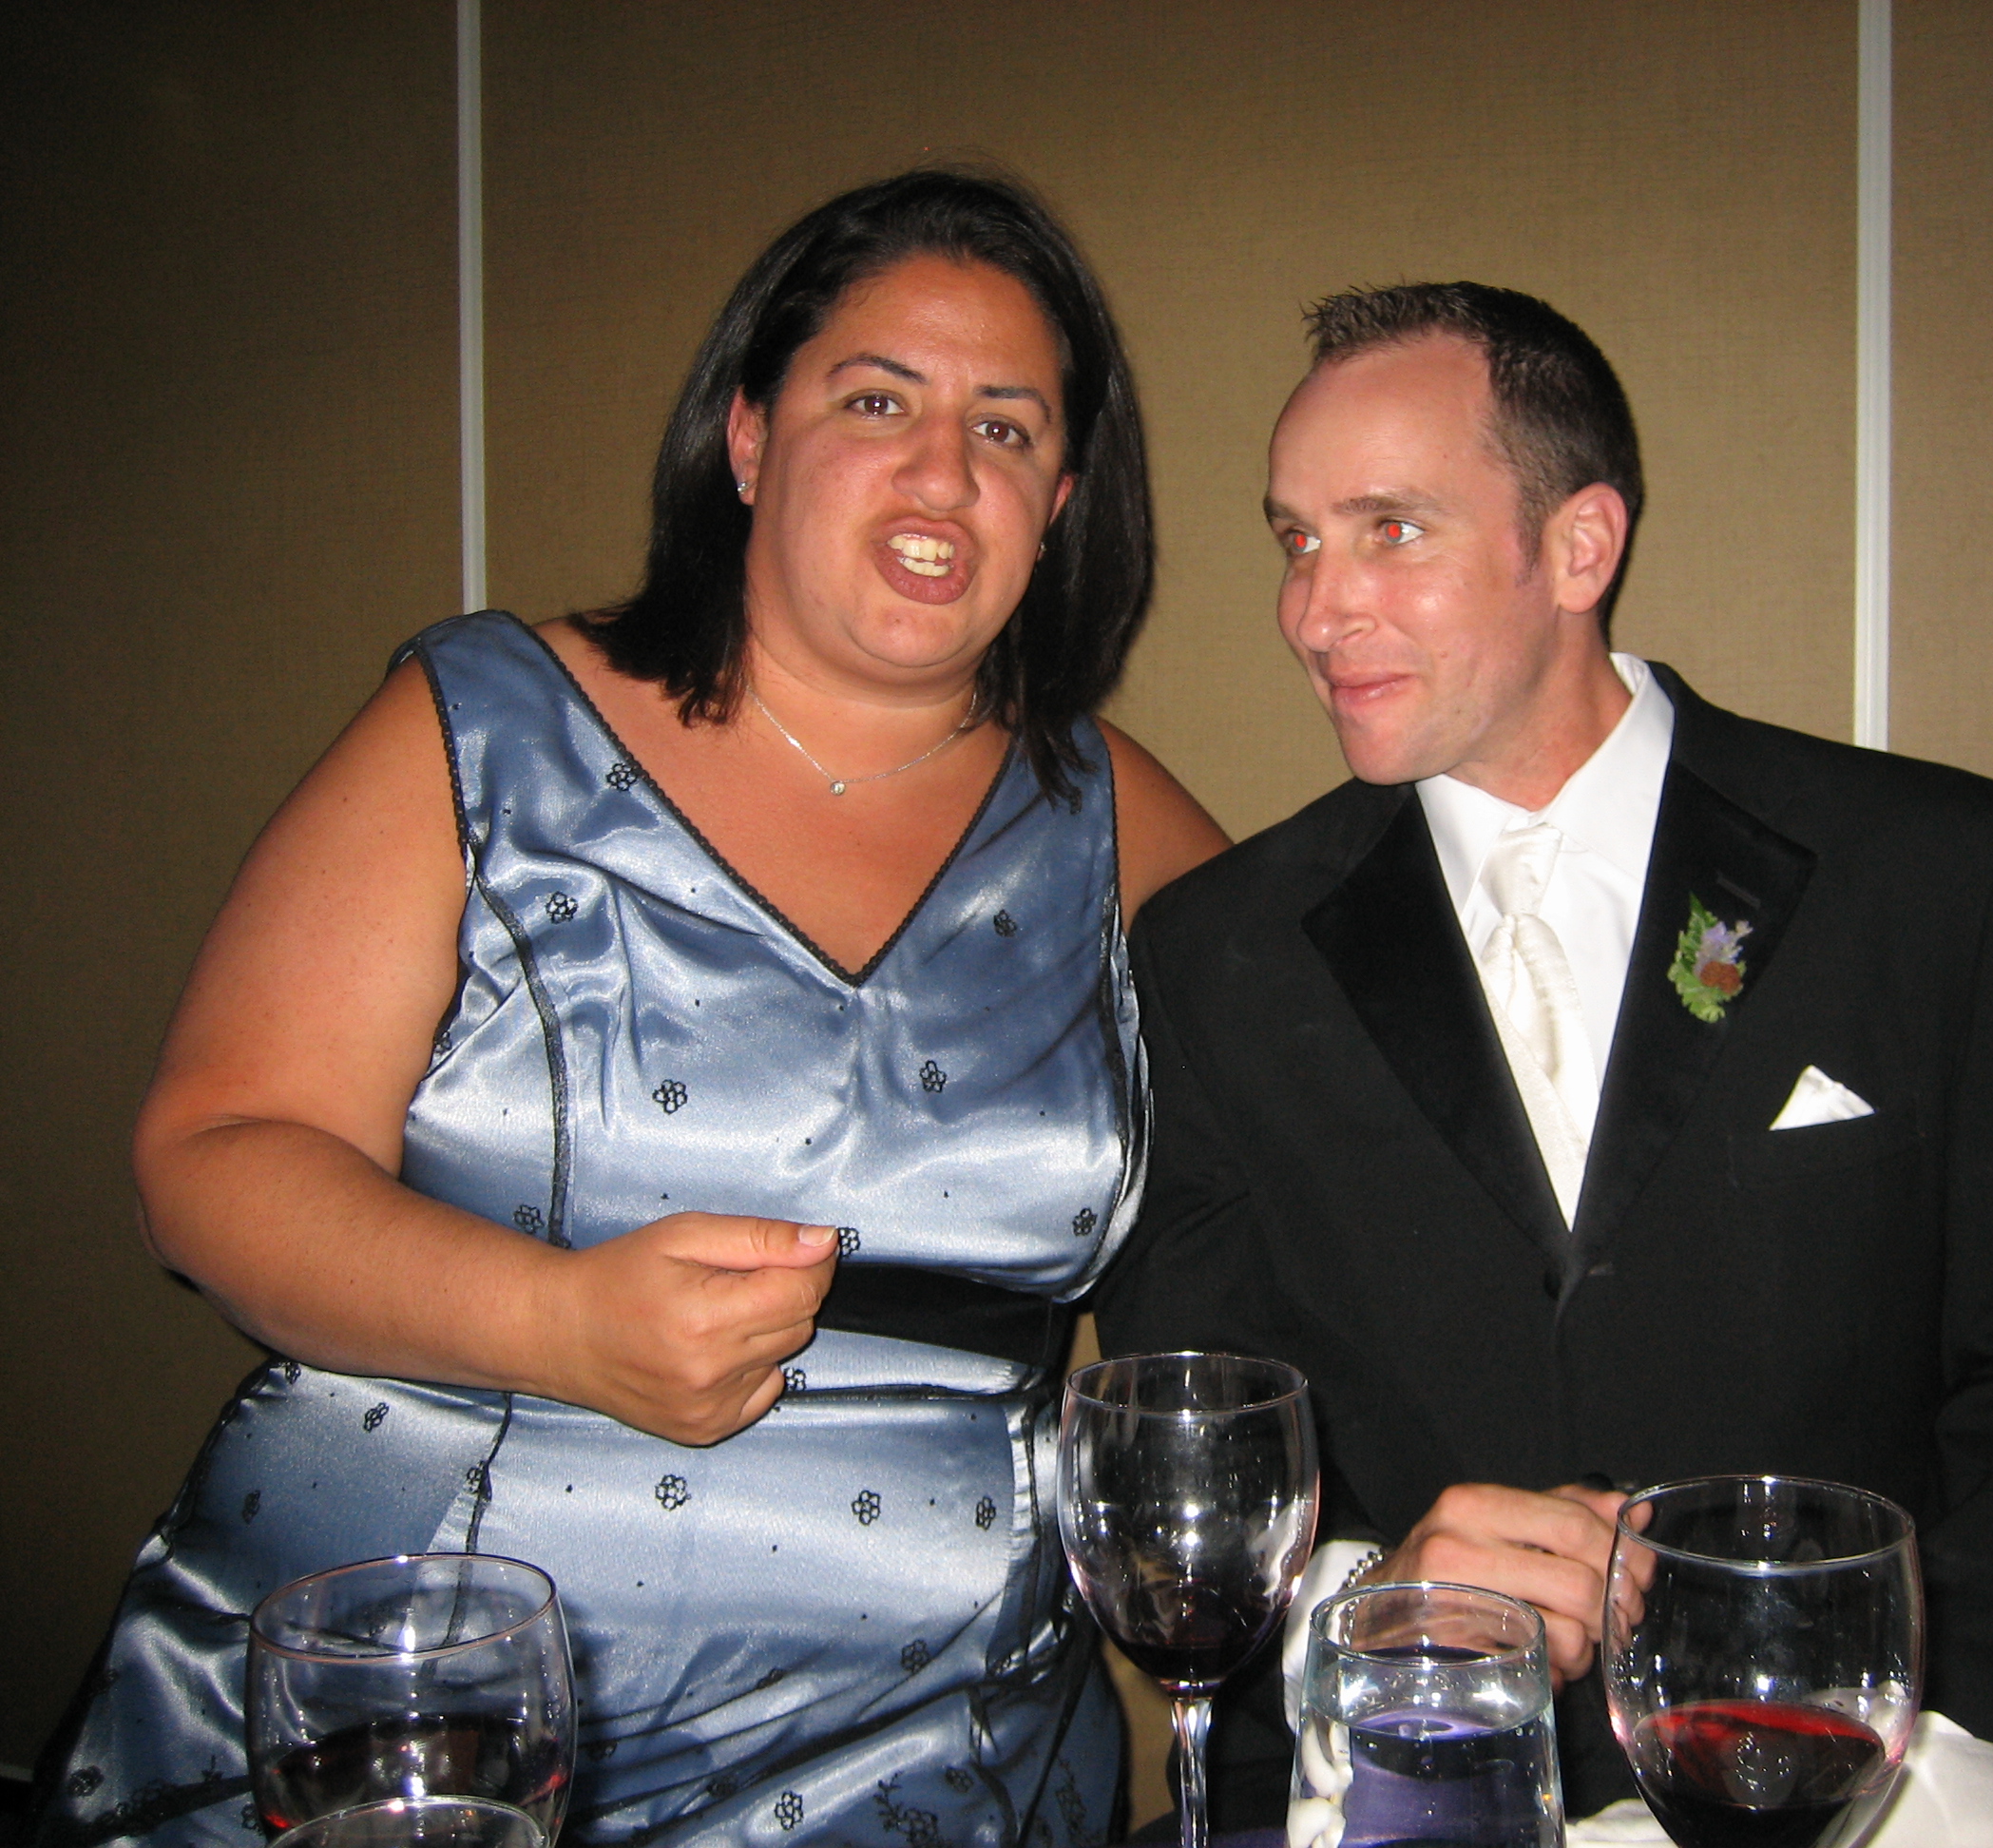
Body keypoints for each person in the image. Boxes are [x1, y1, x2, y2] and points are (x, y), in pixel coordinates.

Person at [34, 170, 1225, 1847]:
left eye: (1008, 429)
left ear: (1063, 501)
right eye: (875, 400)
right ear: (747, 438)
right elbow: (215, 1156)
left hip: (941, 1750)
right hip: (431, 1712)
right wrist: (559, 1324)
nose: (945, 471)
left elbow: (1348, 1182)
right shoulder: (482, 725)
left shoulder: (1119, 822)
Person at [1094, 281, 1993, 1826]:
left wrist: (1893, 1745)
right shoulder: (1215, 952)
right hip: (1408, 1794)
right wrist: (1380, 1623)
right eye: (1296, 540)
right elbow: (1196, 1459)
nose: (1313, 608)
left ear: (1580, 546)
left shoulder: (1936, 877)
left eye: (1390, 531)